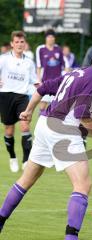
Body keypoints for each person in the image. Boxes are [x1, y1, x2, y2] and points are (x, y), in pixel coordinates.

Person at [0, 45, 92, 240]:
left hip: (44, 124)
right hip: (63, 130)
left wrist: (29, 111)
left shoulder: (77, 71)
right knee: (83, 185)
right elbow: (83, 116)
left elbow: (44, 88)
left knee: (26, 180)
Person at [0, 31, 37, 172]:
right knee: (9, 130)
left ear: (25, 43)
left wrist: (43, 87)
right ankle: (12, 157)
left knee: (25, 126)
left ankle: (26, 160)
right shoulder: (3, 59)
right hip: (5, 96)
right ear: (12, 44)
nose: (20, 44)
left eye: (22, 42)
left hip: (22, 97)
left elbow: (34, 81)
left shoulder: (29, 62)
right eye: (17, 42)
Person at [36, 29, 69, 112]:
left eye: (52, 37)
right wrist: (39, 80)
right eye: (49, 37)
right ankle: (41, 122)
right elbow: (39, 66)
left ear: (54, 38)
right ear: (46, 38)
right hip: (45, 81)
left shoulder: (58, 49)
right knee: (42, 106)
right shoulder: (40, 49)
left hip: (57, 82)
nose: (50, 39)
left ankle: (51, 123)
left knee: (55, 106)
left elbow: (65, 65)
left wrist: (66, 77)